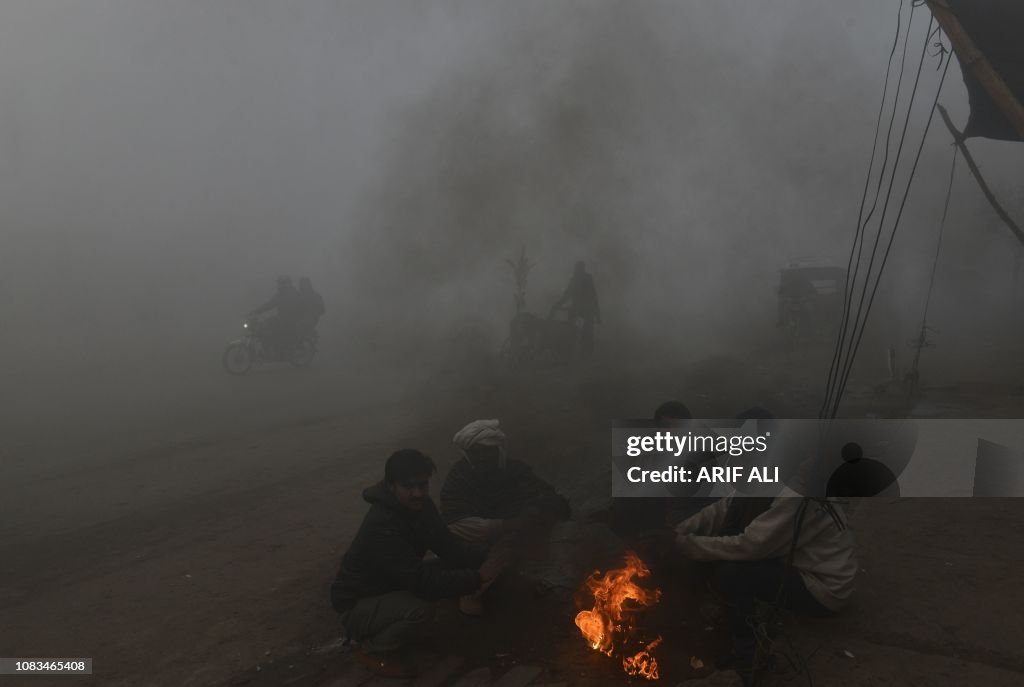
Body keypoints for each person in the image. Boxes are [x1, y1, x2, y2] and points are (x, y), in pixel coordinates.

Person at [330, 449, 501, 678]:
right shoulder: (382, 525)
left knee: (449, 568)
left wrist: (488, 556)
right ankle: (374, 650)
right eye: (409, 486)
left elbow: (448, 546)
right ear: (391, 486)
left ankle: (396, 630)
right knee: (421, 610)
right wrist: (477, 578)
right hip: (356, 604)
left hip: (388, 585)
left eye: (423, 485)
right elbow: (423, 583)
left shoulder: (421, 507)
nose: (418, 493)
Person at [673, 492, 857, 683]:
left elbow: (750, 546)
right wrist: (680, 531)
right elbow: (726, 507)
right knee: (713, 553)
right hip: (795, 565)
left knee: (733, 573)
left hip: (823, 588)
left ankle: (749, 659)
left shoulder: (797, 494)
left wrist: (685, 545)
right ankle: (722, 624)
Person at [440, 419, 571, 616]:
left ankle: (520, 573)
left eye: (488, 451)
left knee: (535, 522)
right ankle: (472, 593)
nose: (484, 457)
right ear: (468, 454)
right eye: (477, 453)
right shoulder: (458, 478)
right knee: (505, 544)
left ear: (499, 450)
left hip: (511, 534)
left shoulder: (515, 470)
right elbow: (453, 521)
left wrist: (534, 510)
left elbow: (548, 496)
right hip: (472, 541)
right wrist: (503, 525)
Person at [552, 261, 601, 359]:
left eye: (579, 268)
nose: (577, 271)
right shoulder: (578, 279)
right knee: (573, 330)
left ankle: (584, 354)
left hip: (585, 309)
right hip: (580, 309)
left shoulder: (584, 279)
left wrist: (597, 314)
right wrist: (558, 304)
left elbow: (593, 296)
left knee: (586, 332)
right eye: (577, 269)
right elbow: (567, 294)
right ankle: (573, 351)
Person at [249, 276, 303, 356]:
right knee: (265, 325)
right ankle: (271, 348)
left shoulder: (289, 294)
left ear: (286, 284)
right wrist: (255, 312)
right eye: (279, 284)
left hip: (288, 320)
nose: (279, 286)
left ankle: (271, 351)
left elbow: (270, 305)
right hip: (283, 318)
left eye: (281, 284)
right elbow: (269, 305)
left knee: (265, 327)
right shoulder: (283, 294)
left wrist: (255, 312)